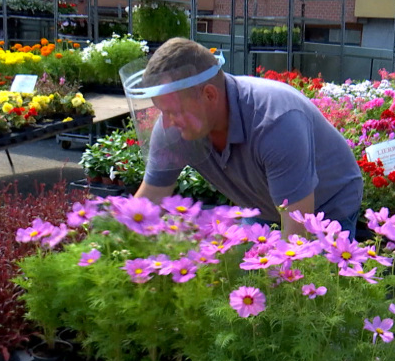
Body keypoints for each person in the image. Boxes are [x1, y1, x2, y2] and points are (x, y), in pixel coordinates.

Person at [132, 38, 363, 238]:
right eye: (162, 111)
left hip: (327, 206)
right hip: (262, 207)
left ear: (209, 95)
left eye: (173, 111)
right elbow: (150, 199)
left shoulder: (275, 122)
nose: (166, 123)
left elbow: (297, 236)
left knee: (304, 280)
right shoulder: (176, 127)